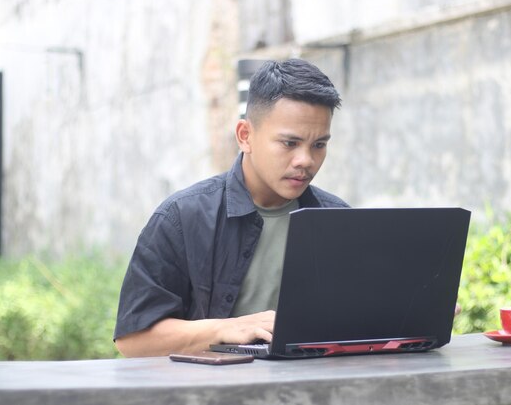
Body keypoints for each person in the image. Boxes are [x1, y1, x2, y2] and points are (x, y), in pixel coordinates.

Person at [114, 58, 349, 357]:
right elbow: (133, 341)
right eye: (290, 143)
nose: (306, 160)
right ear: (245, 136)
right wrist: (226, 329)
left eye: (319, 145)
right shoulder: (181, 218)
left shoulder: (337, 219)